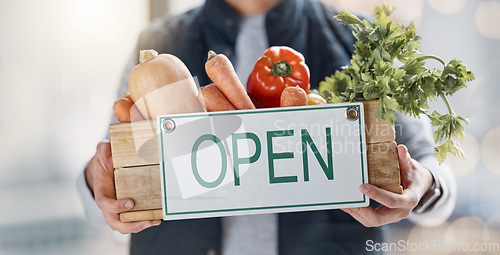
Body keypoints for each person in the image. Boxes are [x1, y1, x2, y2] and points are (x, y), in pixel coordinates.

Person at [77, 0, 456, 254]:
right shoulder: (157, 43)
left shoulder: (358, 39)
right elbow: (112, 176)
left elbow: (427, 170)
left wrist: (422, 187)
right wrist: (100, 187)